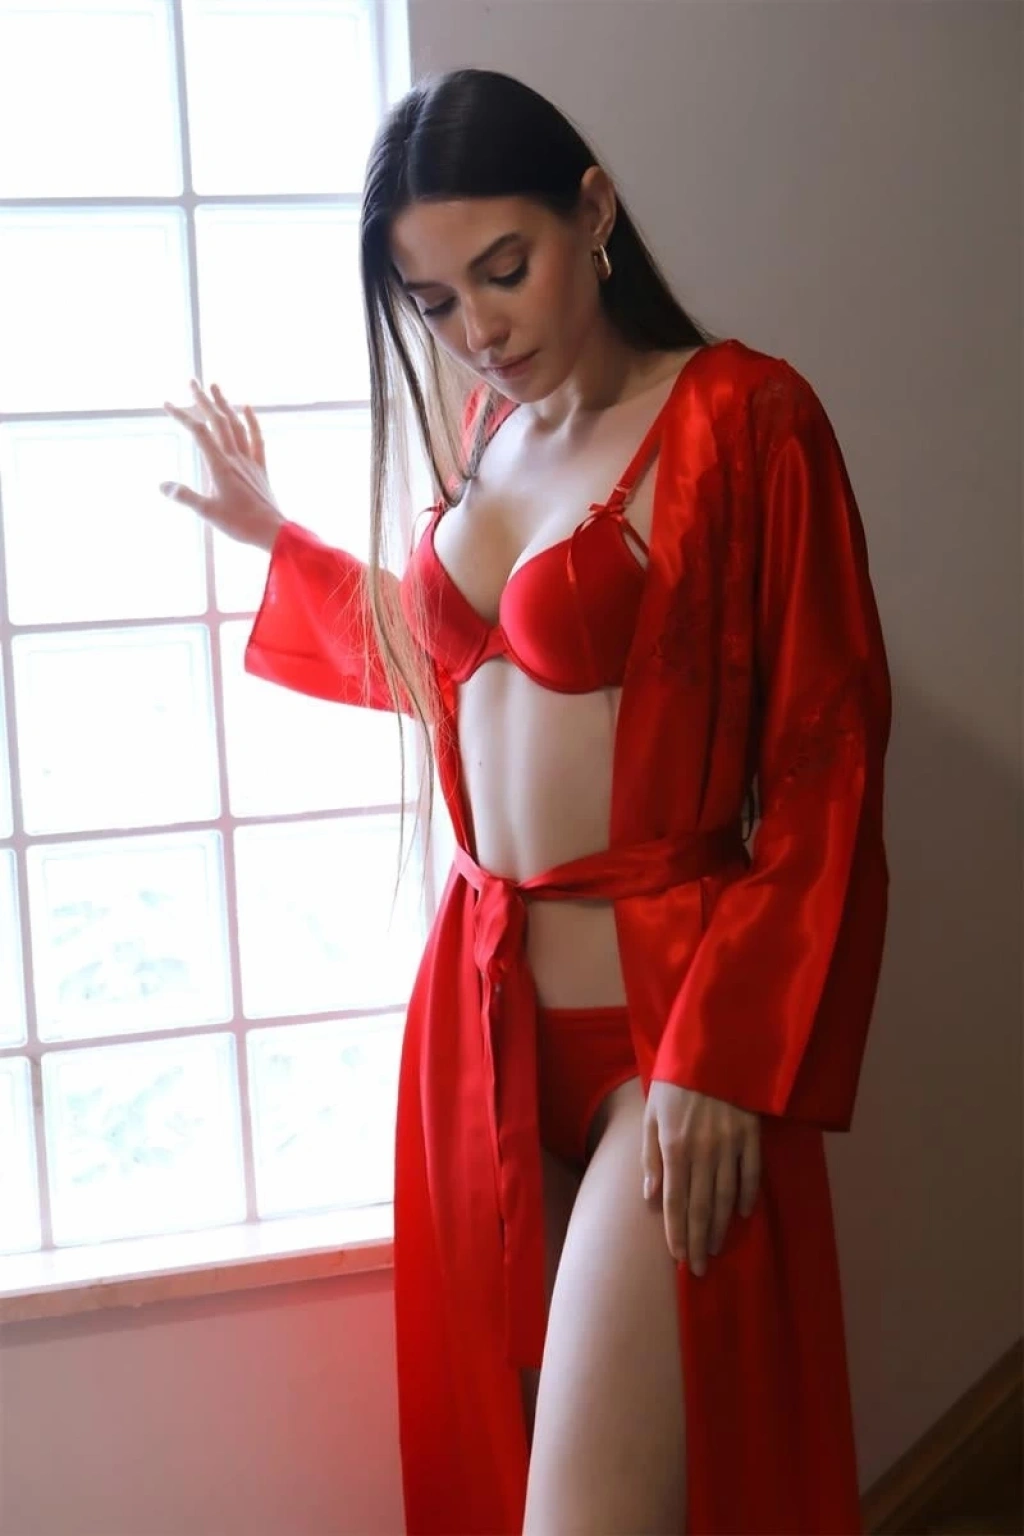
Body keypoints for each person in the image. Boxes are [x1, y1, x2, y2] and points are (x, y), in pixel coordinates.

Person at [161, 67, 890, 1536]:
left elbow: (829, 759)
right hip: (483, 1030)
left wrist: (726, 1055)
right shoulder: (492, 437)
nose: (478, 329)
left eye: (505, 268)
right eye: (434, 302)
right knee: (506, 1487)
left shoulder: (745, 418)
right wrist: (277, 536)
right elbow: (445, 673)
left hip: (664, 1038)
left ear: (593, 214)